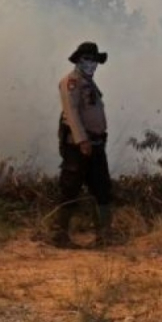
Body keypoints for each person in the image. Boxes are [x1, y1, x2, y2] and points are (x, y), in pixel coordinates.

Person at [52, 41, 114, 248]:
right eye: (87, 59)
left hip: (96, 144)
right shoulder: (71, 82)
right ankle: (60, 235)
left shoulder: (89, 83)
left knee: (102, 188)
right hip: (78, 146)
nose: (92, 64)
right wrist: (82, 140)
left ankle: (104, 235)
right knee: (70, 188)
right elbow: (72, 113)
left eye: (94, 60)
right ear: (79, 60)